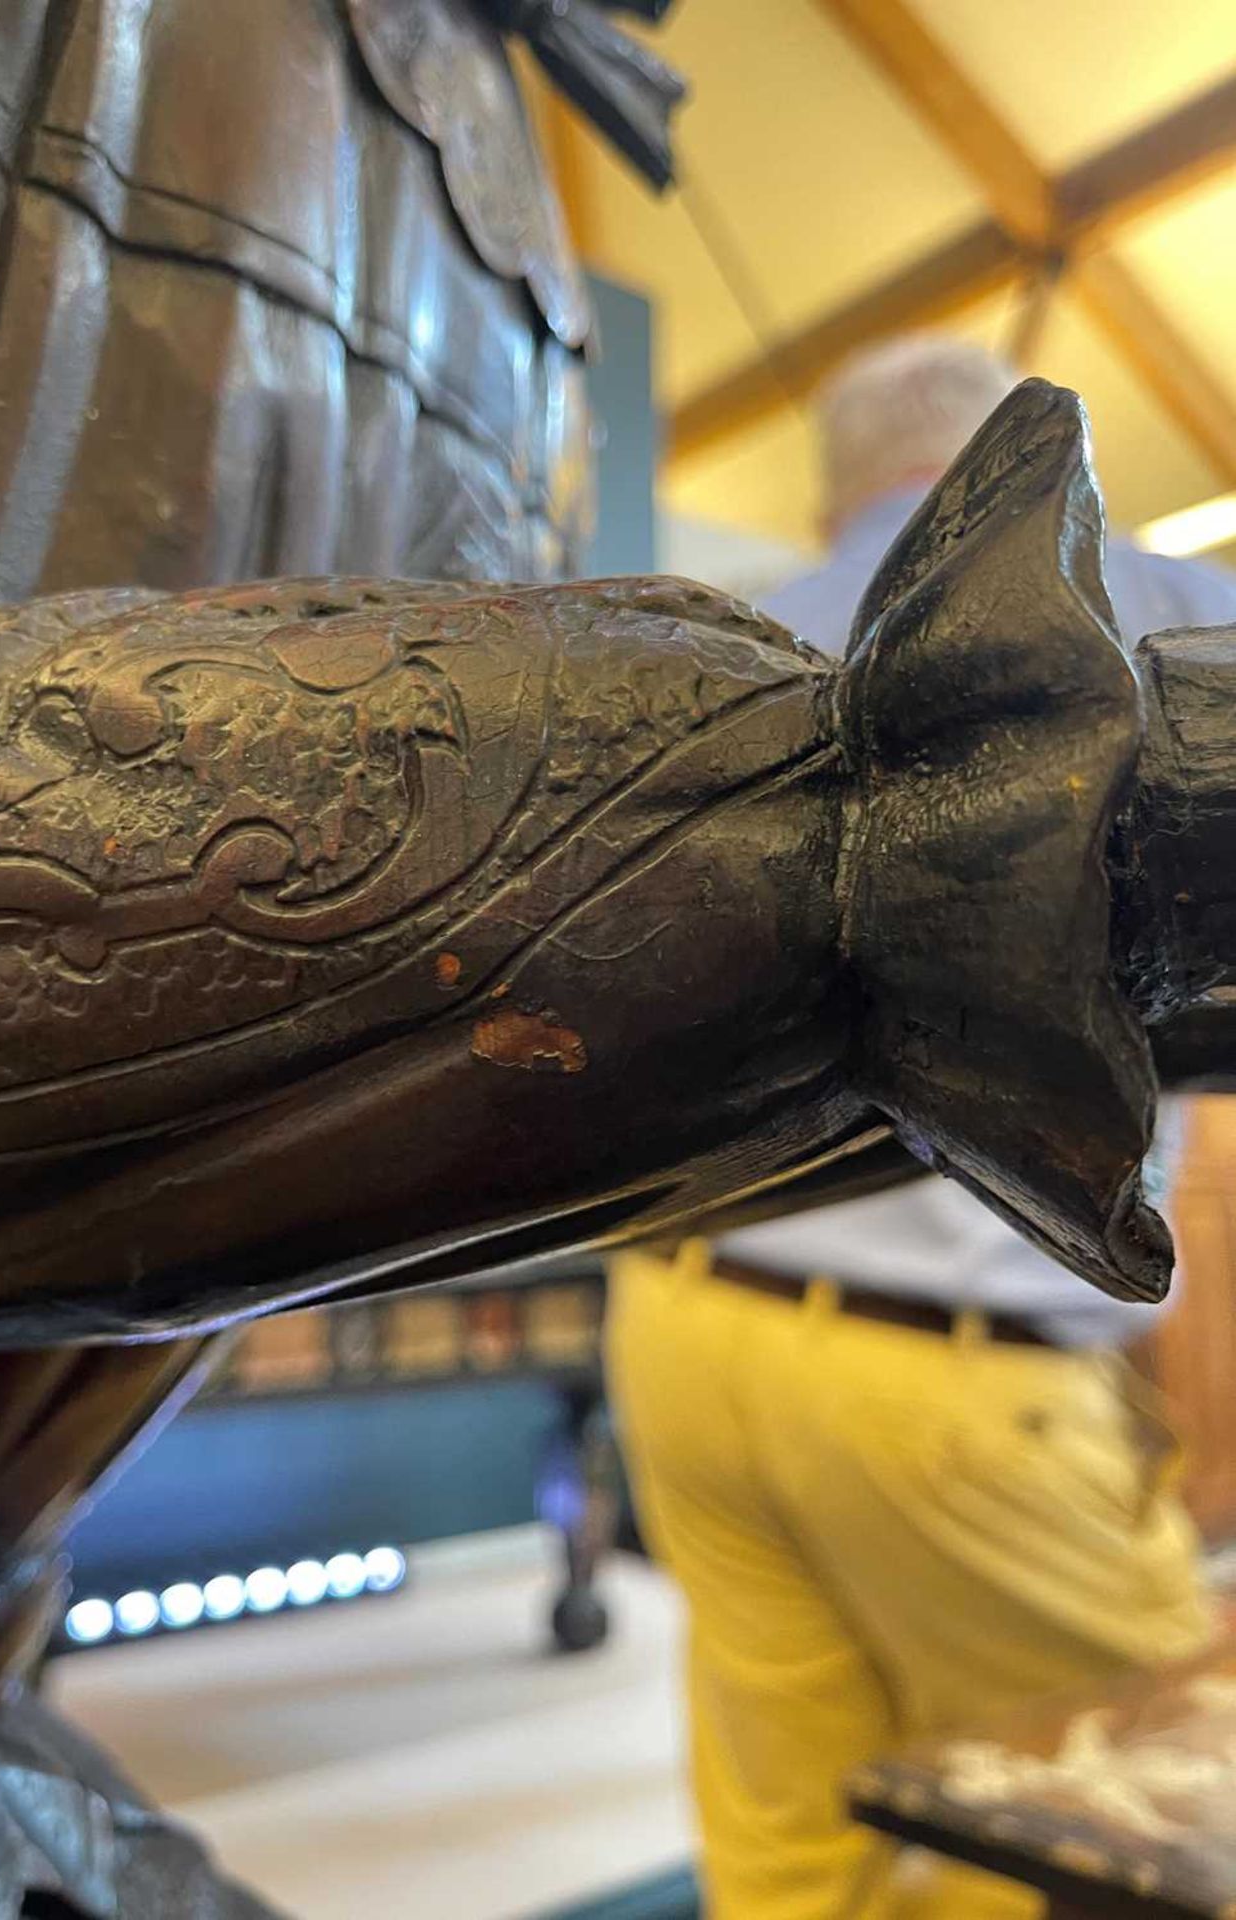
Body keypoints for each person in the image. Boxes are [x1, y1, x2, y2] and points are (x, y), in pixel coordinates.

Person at [606, 334, 1236, 1920]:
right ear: (1028, 445)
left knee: (793, 1843)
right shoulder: (1152, 610)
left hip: (684, 1332)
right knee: (1135, 1835)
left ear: (834, 492)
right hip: (956, 1392)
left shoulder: (694, 644)